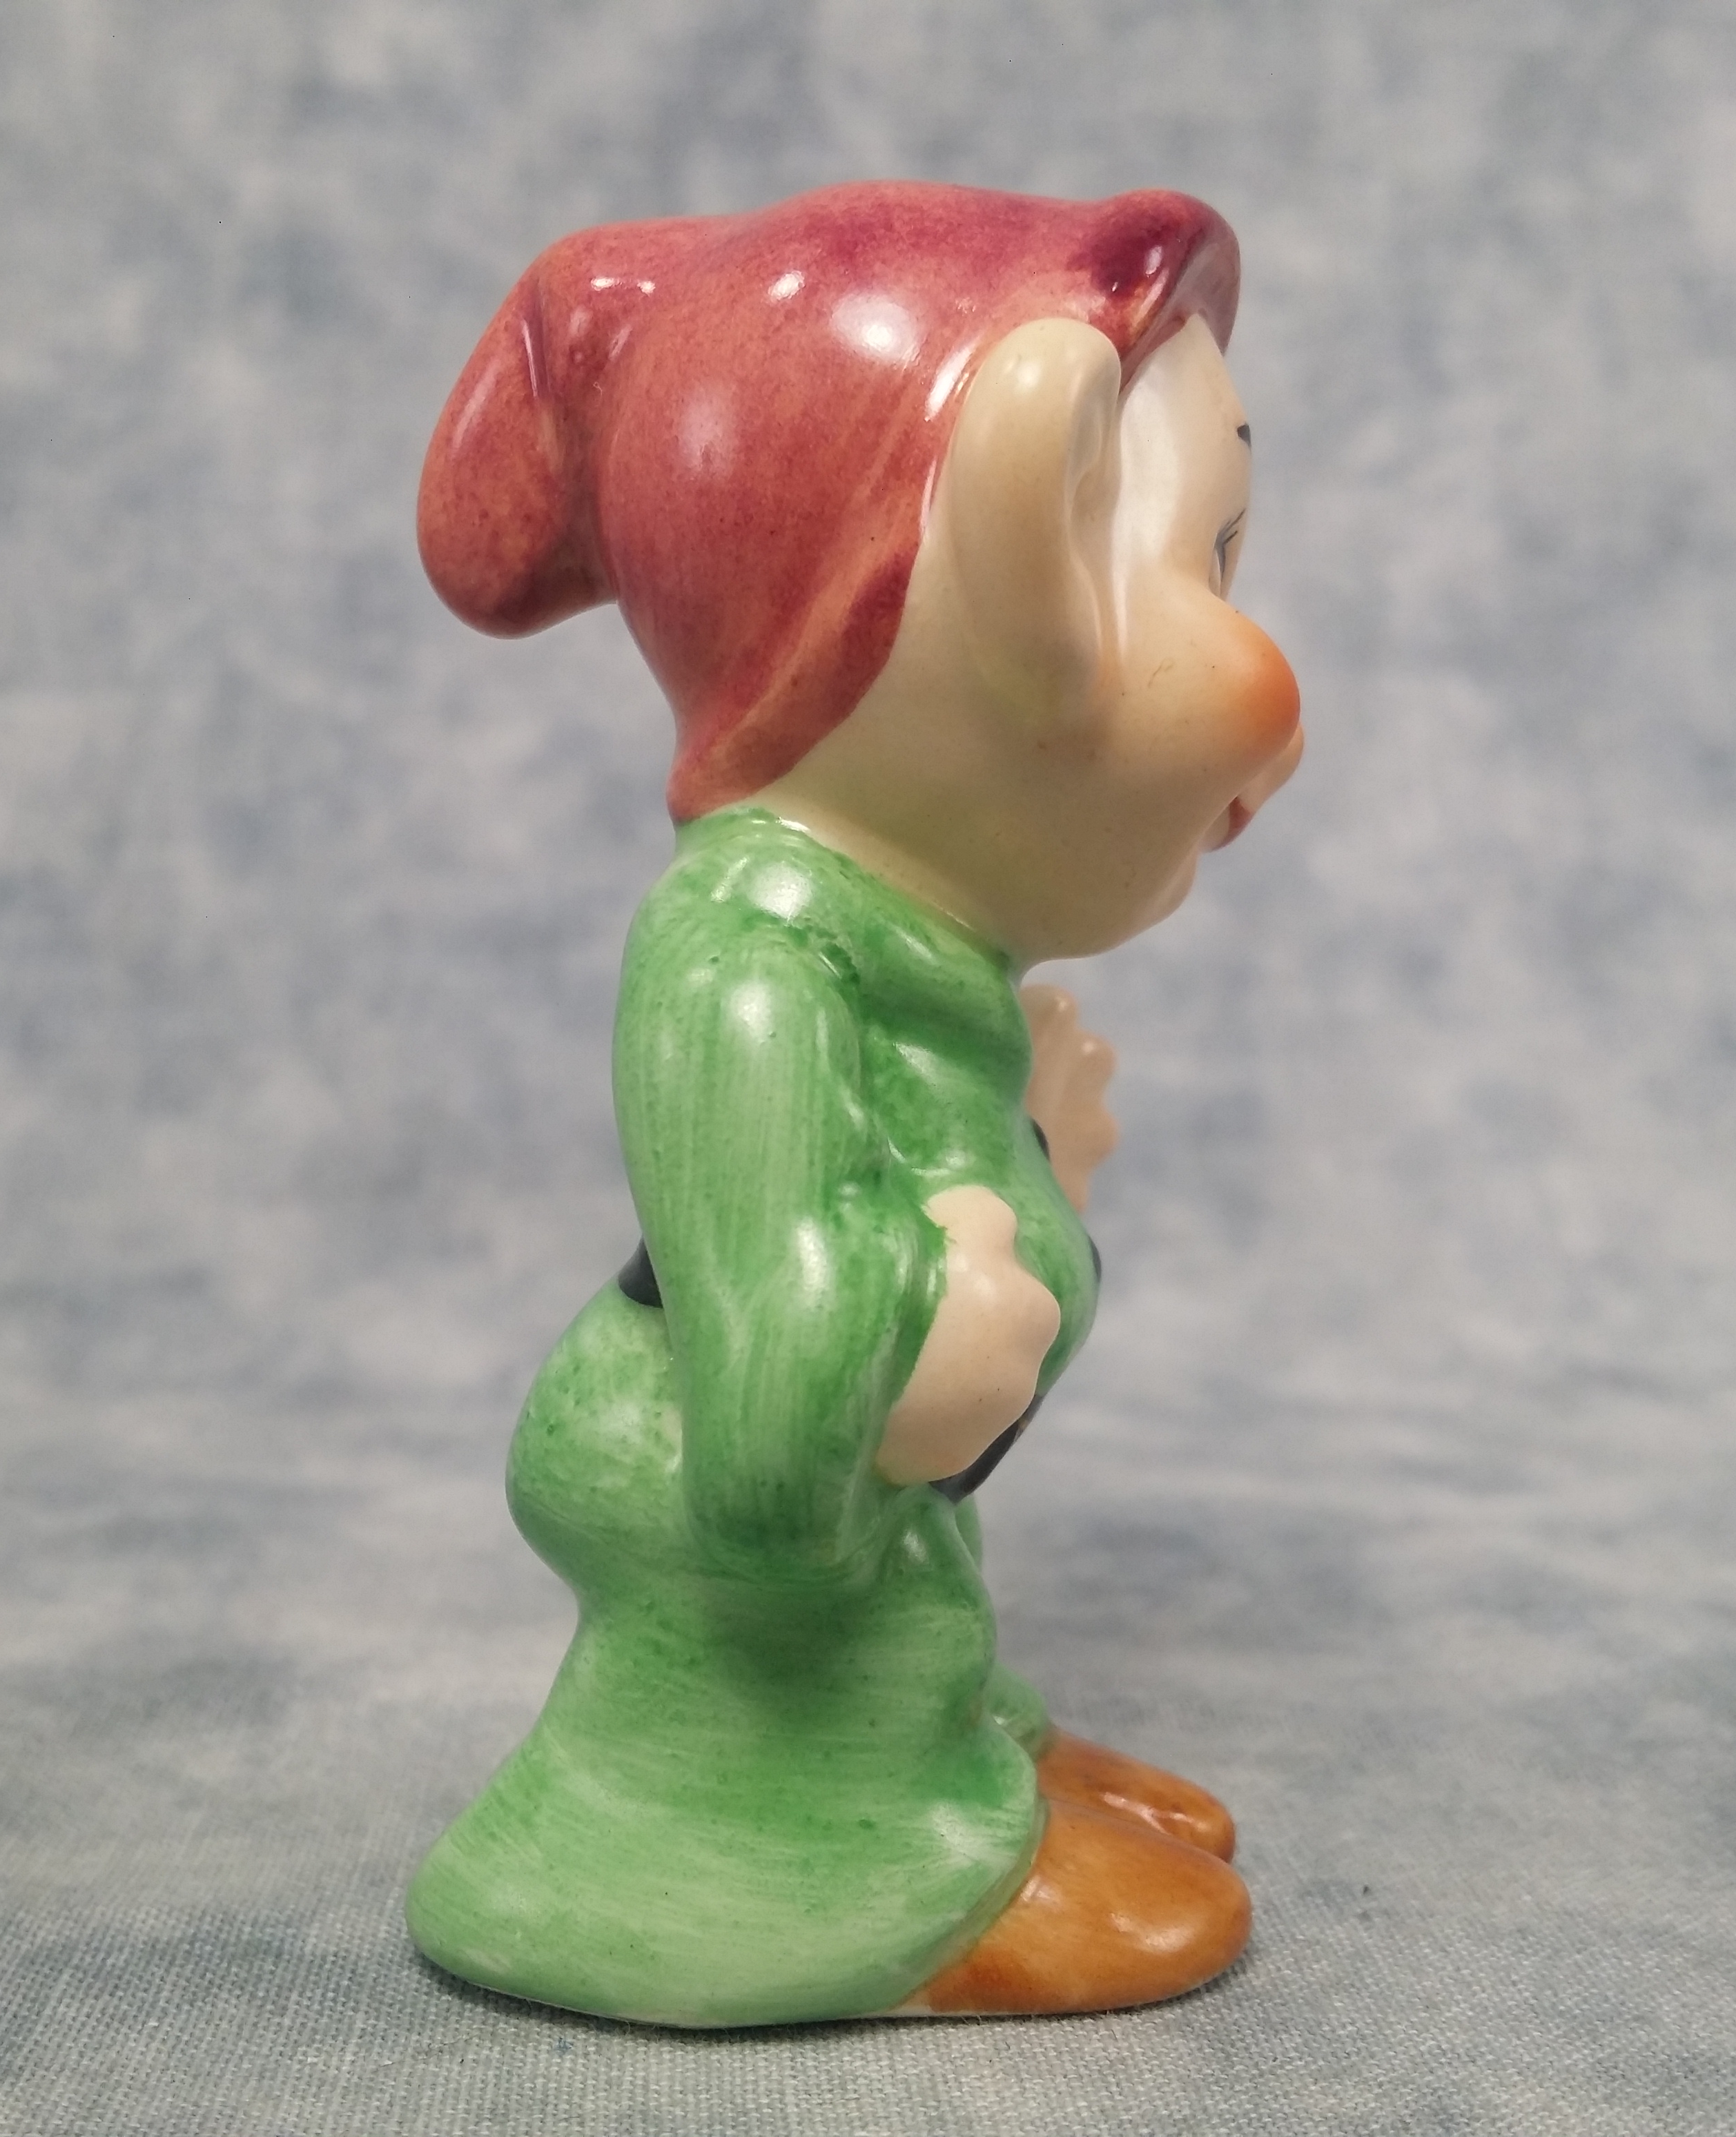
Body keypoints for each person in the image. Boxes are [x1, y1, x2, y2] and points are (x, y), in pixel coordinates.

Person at [409, 181, 1303, 2026]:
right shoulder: (745, 963)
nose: (1265, 691)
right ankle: (838, 1848)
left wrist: (1029, 1175)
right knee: (827, 1607)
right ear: (1008, 592)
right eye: (1201, 567)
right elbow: (772, 1445)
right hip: (714, 1487)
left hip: (822, 1492)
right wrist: (917, 1339)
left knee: (906, 1583)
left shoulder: (896, 946)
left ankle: (948, 1737)